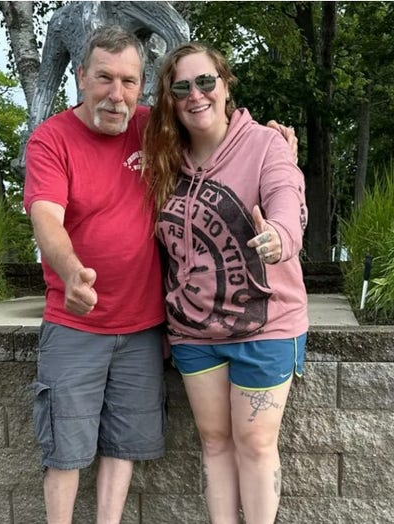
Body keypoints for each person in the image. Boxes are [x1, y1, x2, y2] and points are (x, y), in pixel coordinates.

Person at [24, 27, 297, 524]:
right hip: (83, 324)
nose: (116, 93)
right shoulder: (55, 139)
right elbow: (46, 217)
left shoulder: (154, 130)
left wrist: (276, 155)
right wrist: (70, 271)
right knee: (66, 448)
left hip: (147, 328)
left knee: (124, 445)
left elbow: (266, 177)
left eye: (129, 81)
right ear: (81, 77)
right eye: (104, 78)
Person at [142, 43, 309, 524]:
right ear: (171, 100)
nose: (195, 95)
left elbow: (285, 196)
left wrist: (279, 236)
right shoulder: (163, 160)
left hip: (265, 326)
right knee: (214, 443)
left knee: (254, 443)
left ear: (225, 84)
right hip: (194, 335)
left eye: (205, 82)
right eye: (181, 88)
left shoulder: (265, 145)